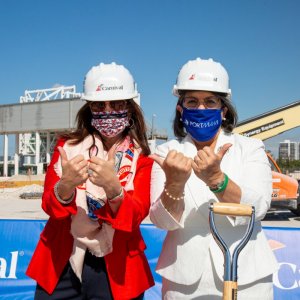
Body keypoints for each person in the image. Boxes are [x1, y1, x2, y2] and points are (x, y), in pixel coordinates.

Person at [150, 57, 278, 299]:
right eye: (192, 101)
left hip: (248, 278)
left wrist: (218, 179)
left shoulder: (251, 148)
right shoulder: (165, 153)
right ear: (180, 109)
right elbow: (161, 222)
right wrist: (174, 185)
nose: (200, 109)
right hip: (184, 283)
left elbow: (258, 207)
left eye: (210, 101)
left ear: (224, 110)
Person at [26, 62, 154, 299]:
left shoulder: (142, 157)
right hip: (61, 261)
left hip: (119, 267)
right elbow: (49, 205)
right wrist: (65, 186)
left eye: (116, 104)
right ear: (89, 107)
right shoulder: (68, 147)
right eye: (99, 104)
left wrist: (114, 190)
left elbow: (137, 214)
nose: (108, 111)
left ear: (130, 107)